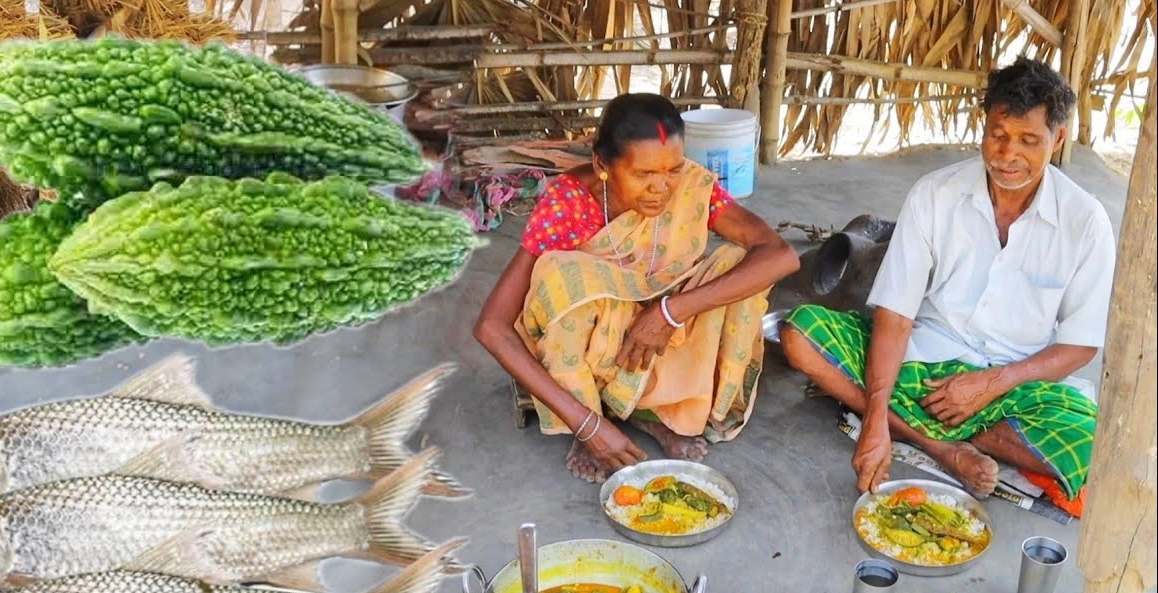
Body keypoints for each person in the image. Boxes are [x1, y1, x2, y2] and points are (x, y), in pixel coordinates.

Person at [780, 58, 1114, 501]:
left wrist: (991, 384)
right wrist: (875, 423)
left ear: (1058, 139)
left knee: (1095, 448)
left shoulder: (1086, 221)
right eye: (998, 135)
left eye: (1028, 140)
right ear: (985, 125)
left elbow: (1080, 345)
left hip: (1017, 384)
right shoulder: (935, 194)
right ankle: (941, 447)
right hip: (924, 366)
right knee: (800, 334)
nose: (1007, 154)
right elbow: (896, 316)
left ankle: (955, 430)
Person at [474, 94, 800, 482]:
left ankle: (651, 412)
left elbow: (780, 255)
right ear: (602, 164)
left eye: (672, 170)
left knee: (735, 267)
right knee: (562, 276)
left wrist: (670, 312)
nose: (661, 188)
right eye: (644, 175)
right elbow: (492, 327)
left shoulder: (691, 185)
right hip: (592, 346)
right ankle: (590, 414)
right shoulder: (570, 203)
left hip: (659, 333)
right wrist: (587, 426)